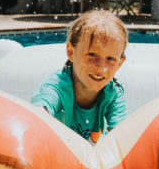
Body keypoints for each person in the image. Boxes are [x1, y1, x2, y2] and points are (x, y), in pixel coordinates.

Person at [30, 10, 127, 143]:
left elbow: (122, 137)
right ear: (70, 52)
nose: (100, 66)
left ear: (120, 63)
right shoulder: (57, 86)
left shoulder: (113, 94)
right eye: (92, 54)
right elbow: (38, 113)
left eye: (110, 58)